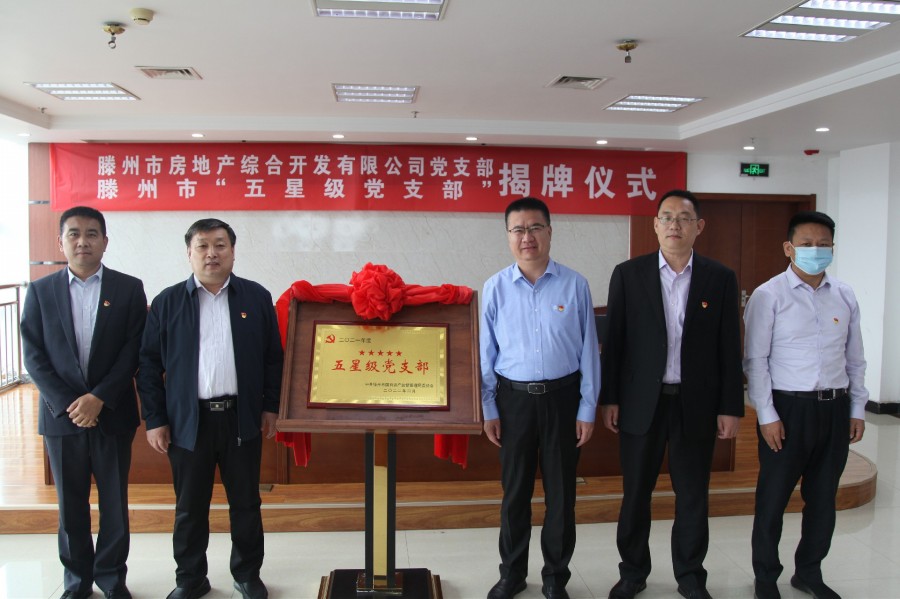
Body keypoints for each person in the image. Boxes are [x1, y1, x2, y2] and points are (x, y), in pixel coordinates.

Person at [600, 189, 744, 599]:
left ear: (699, 226)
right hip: (640, 403)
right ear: (655, 225)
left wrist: (730, 407)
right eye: (666, 217)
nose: (674, 225)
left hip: (695, 404)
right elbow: (615, 344)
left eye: (684, 218)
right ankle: (632, 573)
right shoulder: (628, 274)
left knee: (693, 495)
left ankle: (691, 576)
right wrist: (610, 398)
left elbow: (729, 347)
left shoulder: (720, 278)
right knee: (635, 494)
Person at [137, 219, 283, 599]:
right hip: (188, 421)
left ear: (233, 252)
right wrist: (155, 419)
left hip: (241, 417)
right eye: (202, 246)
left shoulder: (256, 298)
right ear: (189, 253)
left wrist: (270, 407)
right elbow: (148, 365)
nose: (212, 253)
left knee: (246, 503)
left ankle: (247, 574)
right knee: (189, 507)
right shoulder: (168, 302)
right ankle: (190, 579)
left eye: (220, 245)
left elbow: (273, 358)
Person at [21, 206, 147, 599]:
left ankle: (111, 579)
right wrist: (71, 403)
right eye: (73, 234)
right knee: (70, 505)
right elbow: (34, 356)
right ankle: (77, 581)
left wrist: (99, 398)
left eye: (92, 234)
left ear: (105, 242)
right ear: (61, 242)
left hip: (112, 413)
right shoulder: (41, 291)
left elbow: (133, 350)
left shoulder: (128, 288)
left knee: (114, 504)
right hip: (62, 418)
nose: (83, 241)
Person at [480, 197, 600, 599]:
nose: (526, 237)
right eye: (518, 229)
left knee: (561, 496)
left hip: (563, 401)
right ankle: (512, 574)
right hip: (513, 402)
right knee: (515, 493)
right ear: (508, 236)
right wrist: (488, 407)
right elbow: (486, 355)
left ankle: (555, 577)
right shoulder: (495, 287)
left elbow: (588, 351)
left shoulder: (575, 284)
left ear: (549, 231)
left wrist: (587, 407)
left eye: (535, 228)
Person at [744, 211, 867, 599]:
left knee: (823, 499)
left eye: (823, 244)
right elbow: (755, 361)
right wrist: (767, 415)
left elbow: (855, 359)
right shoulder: (769, 295)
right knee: (773, 499)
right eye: (807, 244)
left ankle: (809, 572)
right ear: (789, 248)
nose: (816, 251)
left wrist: (857, 408)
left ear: (833, 248)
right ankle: (766, 576)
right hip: (787, 410)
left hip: (835, 408)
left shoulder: (844, 294)